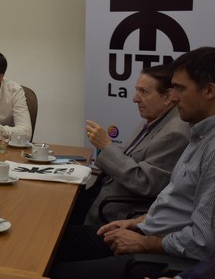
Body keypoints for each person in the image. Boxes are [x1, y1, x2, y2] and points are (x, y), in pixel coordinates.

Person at [49, 47, 215, 279]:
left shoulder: (204, 145)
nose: (175, 96)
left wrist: (145, 242)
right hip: (143, 229)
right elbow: (173, 201)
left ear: (208, 91)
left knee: (55, 270)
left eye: (180, 88)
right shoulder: (198, 133)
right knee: (50, 240)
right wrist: (136, 223)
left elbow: (203, 242)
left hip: (162, 255)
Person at [70, 65, 190, 225]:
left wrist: (106, 146)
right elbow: (129, 155)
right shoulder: (154, 117)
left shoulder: (176, 133)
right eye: (137, 90)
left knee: (59, 231)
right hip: (103, 192)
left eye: (144, 92)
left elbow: (144, 183)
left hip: (118, 212)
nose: (135, 98)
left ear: (168, 96)